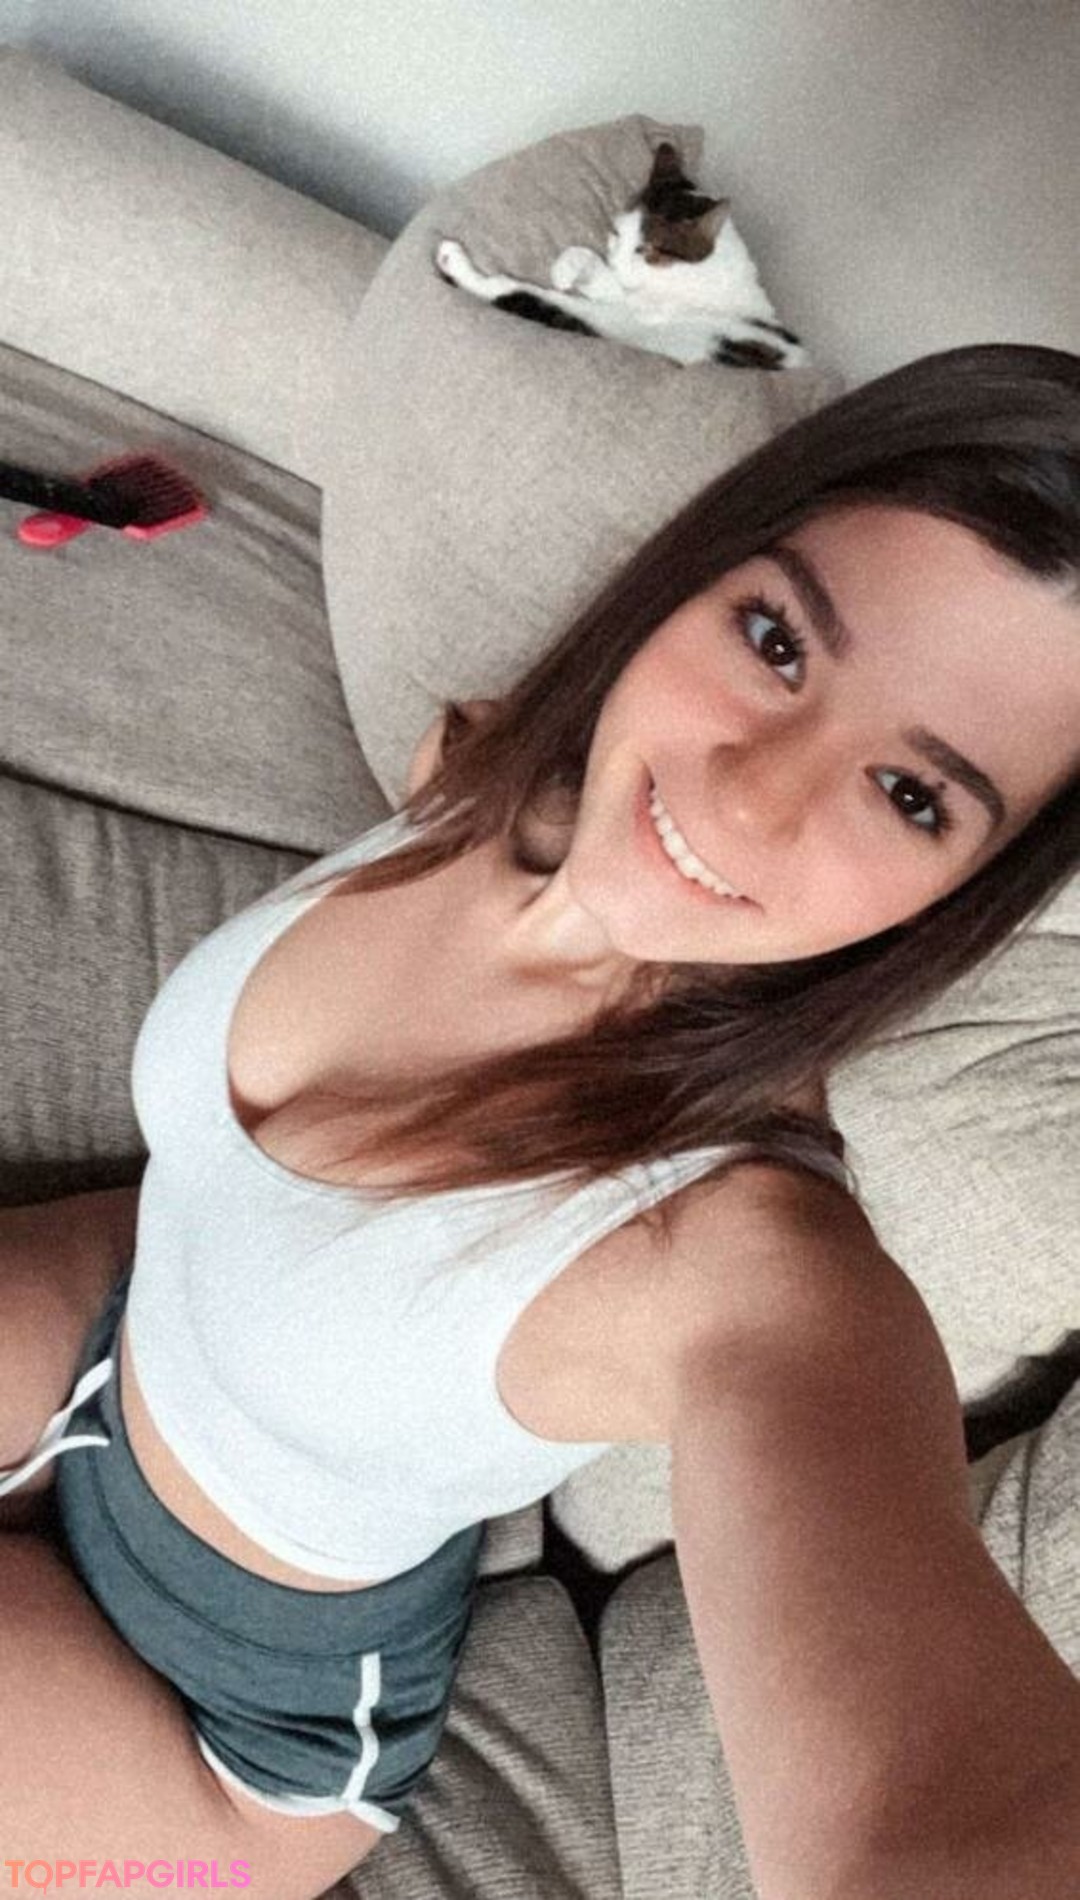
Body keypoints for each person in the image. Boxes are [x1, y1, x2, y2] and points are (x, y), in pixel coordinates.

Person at [1, 341, 1078, 1899]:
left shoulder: (742, 1267)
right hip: (119, 1336)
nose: (750, 795)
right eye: (775, 638)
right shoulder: (486, 770)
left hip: (237, 1740)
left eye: (912, 795)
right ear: (698, 570)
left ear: (962, 894)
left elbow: (929, 1824)